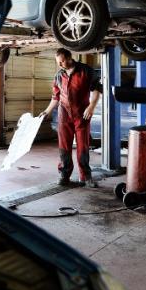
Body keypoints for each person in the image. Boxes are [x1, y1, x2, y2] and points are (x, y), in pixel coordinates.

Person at [39, 48, 102, 187]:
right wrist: (47, 111)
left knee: (83, 146)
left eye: (61, 62)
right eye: (58, 63)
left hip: (82, 114)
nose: (60, 65)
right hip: (64, 114)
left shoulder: (85, 71)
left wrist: (91, 107)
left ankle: (85, 176)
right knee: (64, 146)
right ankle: (64, 175)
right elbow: (55, 97)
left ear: (69, 58)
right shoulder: (59, 75)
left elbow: (97, 89)